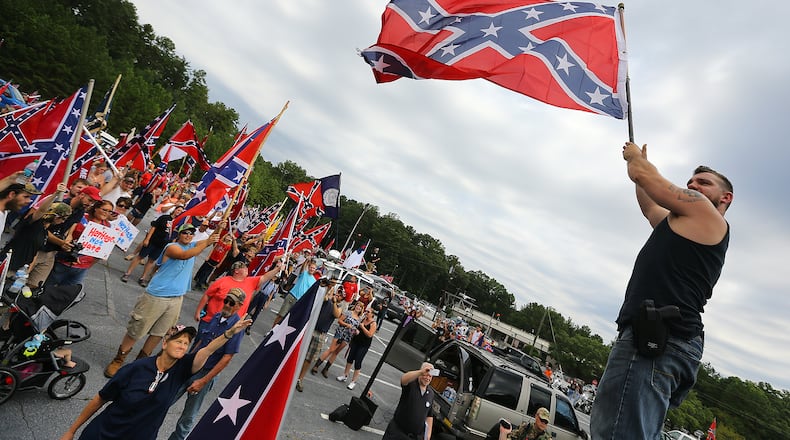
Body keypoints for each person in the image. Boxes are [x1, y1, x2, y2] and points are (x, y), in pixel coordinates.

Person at [590, 142, 733, 439]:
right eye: (691, 182)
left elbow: (650, 180)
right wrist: (638, 170)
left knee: (618, 432)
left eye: (703, 183)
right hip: (664, 340)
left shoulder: (705, 213)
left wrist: (637, 163)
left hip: (659, 339)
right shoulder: (683, 224)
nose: (693, 186)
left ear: (725, 197)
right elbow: (650, 206)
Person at [60, 320, 250, 440]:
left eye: (186, 343)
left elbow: (207, 350)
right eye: (178, 341)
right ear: (165, 343)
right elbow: (100, 399)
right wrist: (71, 431)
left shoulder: (182, 369)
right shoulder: (135, 369)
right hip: (103, 434)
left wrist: (229, 333)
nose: (183, 346)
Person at [103, 223, 221, 378]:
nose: (188, 235)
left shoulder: (194, 245)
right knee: (137, 329)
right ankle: (119, 359)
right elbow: (186, 255)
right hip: (156, 295)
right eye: (185, 232)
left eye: (191, 233)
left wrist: (219, 229)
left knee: (160, 333)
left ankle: (141, 363)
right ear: (178, 234)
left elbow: (210, 240)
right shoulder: (171, 247)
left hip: (176, 298)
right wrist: (207, 242)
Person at [167, 289, 247, 440]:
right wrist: (186, 361)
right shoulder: (217, 316)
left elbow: (226, 359)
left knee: (188, 417)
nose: (227, 305)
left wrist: (203, 381)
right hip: (192, 367)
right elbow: (201, 342)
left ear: (239, 306)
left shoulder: (237, 328)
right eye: (226, 301)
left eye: (231, 303)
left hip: (205, 373)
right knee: (166, 399)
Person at [193, 259, 282, 332]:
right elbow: (207, 295)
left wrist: (277, 269)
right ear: (236, 270)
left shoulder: (250, 281)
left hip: (231, 326)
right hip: (211, 321)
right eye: (244, 267)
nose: (247, 268)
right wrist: (198, 311)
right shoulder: (222, 281)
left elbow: (265, 277)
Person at [45, 199, 114, 287]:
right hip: (66, 261)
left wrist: (105, 251)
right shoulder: (82, 218)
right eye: (104, 210)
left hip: (83, 266)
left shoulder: (108, 226)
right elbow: (68, 234)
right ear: (96, 208)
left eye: (109, 211)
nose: (106, 213)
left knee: (67, 293)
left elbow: (102, 247)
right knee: (48, 287)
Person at [295, 279, 342, 392]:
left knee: (309, 358)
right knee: (299, 352)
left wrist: (335, 301)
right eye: (336, 293)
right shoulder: (326, 300)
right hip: (311, 329)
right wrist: (329, 288)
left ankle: (300, 379)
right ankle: (292, 375)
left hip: (321, 334)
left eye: (339, 294)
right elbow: (325, 297)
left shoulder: (338, 306)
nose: (337, 295)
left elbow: (337, 314)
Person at [120, 205, 184, 286]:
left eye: (181, 212)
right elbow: (154, 227)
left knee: (151, 260)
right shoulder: (165, 218)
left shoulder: (178, 224)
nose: (179, 212)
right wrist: (147, 239)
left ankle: (143, 277)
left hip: (162, 245)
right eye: (178, 210)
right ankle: (127, 273)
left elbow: (175, 236)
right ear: (175, 210)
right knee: (140, 256)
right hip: (153, 241)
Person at [383, 362, 435, 440]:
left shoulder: (430, 393)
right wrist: (421, 372)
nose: (428, 378)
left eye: (430, 376)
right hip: (397, 433)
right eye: (426, 374)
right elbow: (403, 379)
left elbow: (429, 415)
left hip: (414, 437)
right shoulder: (411, 384)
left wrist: (428, 435)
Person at [312, 301, 364, 378]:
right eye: (357, 305)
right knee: (331, 349)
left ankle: (326, 369)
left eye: (360, 307)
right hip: (340, 333)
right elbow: (339, 321)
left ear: (361, 309)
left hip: (348, 337)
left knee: (336, 353)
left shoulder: (359, 319)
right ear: (355, 306)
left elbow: (356, 328)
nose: (358, 307)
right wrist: (347, 325)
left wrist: (356, 331)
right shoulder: (348, 313)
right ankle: (316, 365)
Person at [336, 306, 377, 390]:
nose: (366, 313)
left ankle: (353, 381)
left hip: (363, 345)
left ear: (372, 314)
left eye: (368, 312)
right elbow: (357, 329)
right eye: (365, 311)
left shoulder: (373, 323)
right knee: (350, 359)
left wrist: (362, 327)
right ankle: (345, 375)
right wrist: (355, 331)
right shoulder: (362, 319)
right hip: (355, 342)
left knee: (358, 362)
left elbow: (370, 335)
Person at [273, 259, 317, 326]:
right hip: (292, 296)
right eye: (311, 267)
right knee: (281, 315)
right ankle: (271, 331)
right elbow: (302, 268)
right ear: (308, 267)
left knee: (288, 320)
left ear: (315, 270)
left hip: (299, 301)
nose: (312, 269)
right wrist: (306, 261)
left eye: (313, 268)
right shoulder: (304, 273)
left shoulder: (314, 281)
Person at [486, 408, 552, 440]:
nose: (543, 423)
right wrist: (504, 433)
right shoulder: (525, 428)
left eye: (546, 422)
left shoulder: (547, 438)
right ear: (536, 416)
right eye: (542, 420)